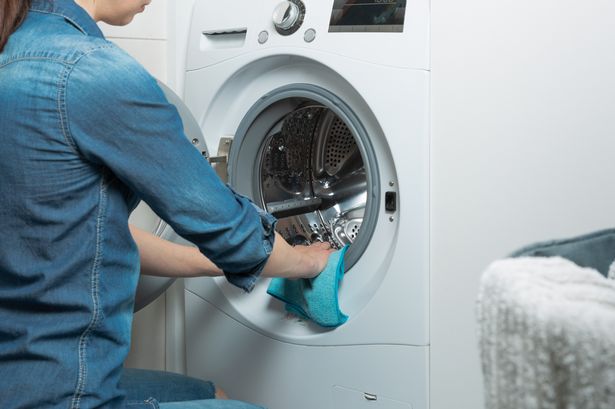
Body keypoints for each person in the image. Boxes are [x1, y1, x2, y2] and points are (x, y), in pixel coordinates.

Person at [0, 0, 333, 408]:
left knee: (211, 394)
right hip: (66, 393)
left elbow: (79, 233)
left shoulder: (12, 49)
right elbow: (233, 232)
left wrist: (213, 261)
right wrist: (311, 262)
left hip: (18, 377)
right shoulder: (93, 71)